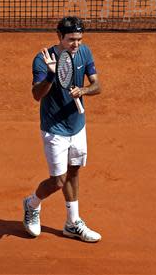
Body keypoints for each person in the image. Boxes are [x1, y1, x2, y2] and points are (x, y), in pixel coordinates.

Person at [23, 16, 102, 242]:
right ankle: (32, 204)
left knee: (74, 171)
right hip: (54, 128)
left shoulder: (85, 52)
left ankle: (72, 223)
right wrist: (51, 73)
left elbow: (97, 85)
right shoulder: (42, 59)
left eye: (79, 39)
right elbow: (37, 95)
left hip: (77, 125)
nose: (76, 44)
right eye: (71, 40)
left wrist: (85, 91)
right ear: (59, 37)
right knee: (58, 181)